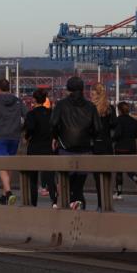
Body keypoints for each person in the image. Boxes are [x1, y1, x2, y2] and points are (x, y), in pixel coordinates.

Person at [50, 77, 101, 210]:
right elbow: (98, 128)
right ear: (83, 89)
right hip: (85, 149)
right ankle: (76, 201)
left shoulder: (61, 105)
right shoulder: (91, 106)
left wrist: (56, 137)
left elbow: (53, 123)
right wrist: (90, 138)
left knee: (65, 180)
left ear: (68, 89)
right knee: (79, 183)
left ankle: (65, 202)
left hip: (65, 147)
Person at [23, 88, 55, 207]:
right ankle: (54, 201)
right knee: (50, 176)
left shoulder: (31, 114)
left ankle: (34, 202)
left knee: (33, 177)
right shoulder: (51, 113)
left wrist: (26, 137)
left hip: (34, 147)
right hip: (48, 147)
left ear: (34, 100)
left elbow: (30, 128)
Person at [90, 82, 116, 210]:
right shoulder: (110, 109)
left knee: (97, 178)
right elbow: (114, 125)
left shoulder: (90, 109)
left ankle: (100, 204)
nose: (91, 96)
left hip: (95, 146)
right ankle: (108, 204)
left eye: (93, 94)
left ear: (97, 95)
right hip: (107, 145)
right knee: (107, 177)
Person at [113, 101, 137, 198]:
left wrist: (113, 139)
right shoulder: (134, 121)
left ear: (119, 110)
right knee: (129, 169)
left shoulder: (118, 120)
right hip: (132, 148)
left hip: (120, 148)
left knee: (119, 171)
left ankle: (119, 193)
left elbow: (117, 134)